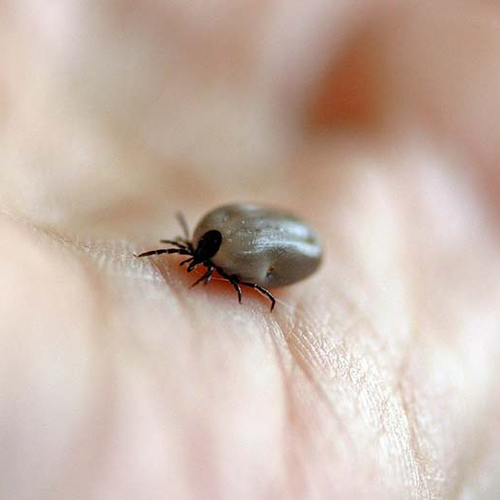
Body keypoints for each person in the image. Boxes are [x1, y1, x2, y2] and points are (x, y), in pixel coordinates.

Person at [0, 1, 499, 498]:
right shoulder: (214, 238)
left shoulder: (222, 242)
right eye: (198, 254)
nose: (191, 261)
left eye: (197, 257)